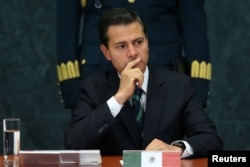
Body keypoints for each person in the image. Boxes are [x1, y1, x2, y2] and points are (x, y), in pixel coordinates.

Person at [64, 8, 222, 158]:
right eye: (121, 46)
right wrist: (119, 98)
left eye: (138, 42)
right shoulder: (92, 88)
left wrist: (177, 148)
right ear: (106, 52)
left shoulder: (179, 85)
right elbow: (74, 143)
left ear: (148, 42)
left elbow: (211, 140)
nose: (133, 53)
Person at [56, 0, 211, 110]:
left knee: (162, 151)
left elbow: (194, 29)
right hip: (98, 76)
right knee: (96, 147)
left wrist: (197, 91)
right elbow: (66, 29)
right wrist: (72, 90)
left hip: (163, 76)